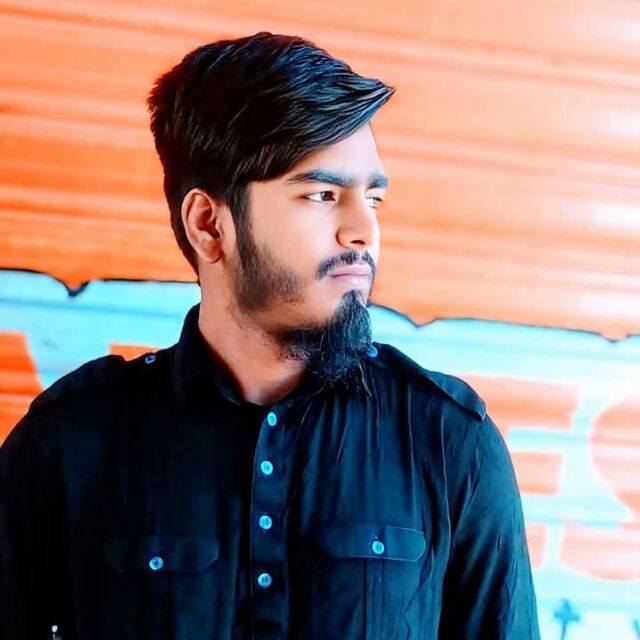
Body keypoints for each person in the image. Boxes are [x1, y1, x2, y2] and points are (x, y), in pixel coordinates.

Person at [0, 32, 540, 640]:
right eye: (322, 194)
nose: (363, 231)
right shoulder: (70, 441)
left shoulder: (448, 443)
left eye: (373, 198)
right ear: (209, 225)